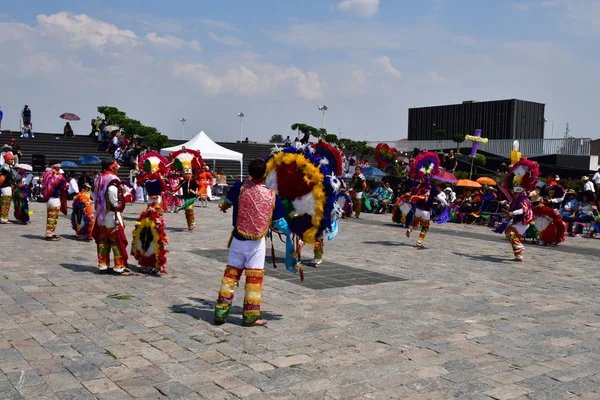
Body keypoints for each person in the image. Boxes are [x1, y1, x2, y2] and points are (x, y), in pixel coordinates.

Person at [215, 159, 292, 327]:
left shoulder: (239, 187)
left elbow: (227, 201)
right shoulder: (272, 195)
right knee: (254, 279)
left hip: (237, 239)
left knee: (230, 276)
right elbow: (279, 222)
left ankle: (221, 311)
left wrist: (225, 207)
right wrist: (295, 231)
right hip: (257, 244)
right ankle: (250, 316)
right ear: (265, 174)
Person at [92, 159, 132, 275]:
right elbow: (112, 191)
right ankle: (119, 266)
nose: (117, 169)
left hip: (101, 215)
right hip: (111, 214)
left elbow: (94, 195)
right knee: (116, 241)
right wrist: (117, 203)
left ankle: (103, 265)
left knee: (103, 241)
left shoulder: (99, 179)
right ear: (111, 168)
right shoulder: (112, 179)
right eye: (115, 167)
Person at [406, 152, 444, 247]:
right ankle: (419, 242)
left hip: (418, 209)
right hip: (426, 211)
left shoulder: (419, 187)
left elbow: (412, 193)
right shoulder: (433, 189)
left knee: (415, 222)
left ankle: (410, 229)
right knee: (425, 227)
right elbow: (440, 198)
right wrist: (446, 203)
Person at [41, 164, 68, 240]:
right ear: (55, 167)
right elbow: (64, 185)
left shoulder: (45, 174)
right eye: (58, 167)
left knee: (50, 217)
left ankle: (51, 233)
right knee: (53, 217)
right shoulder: (57, 176)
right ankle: (49, 234)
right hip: (54, 198)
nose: (59, 168)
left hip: (48, 198)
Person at [0, 152, 16, 224]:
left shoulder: (9, 167)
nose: (12, 160)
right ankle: (3, 218)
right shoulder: (5, 168)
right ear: (6, 160)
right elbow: (2, 179)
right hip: (5, 188)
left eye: (12, 159)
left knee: (7, 204)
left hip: (8, 187)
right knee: (5, 204)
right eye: (10, 159)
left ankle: (4, 217)